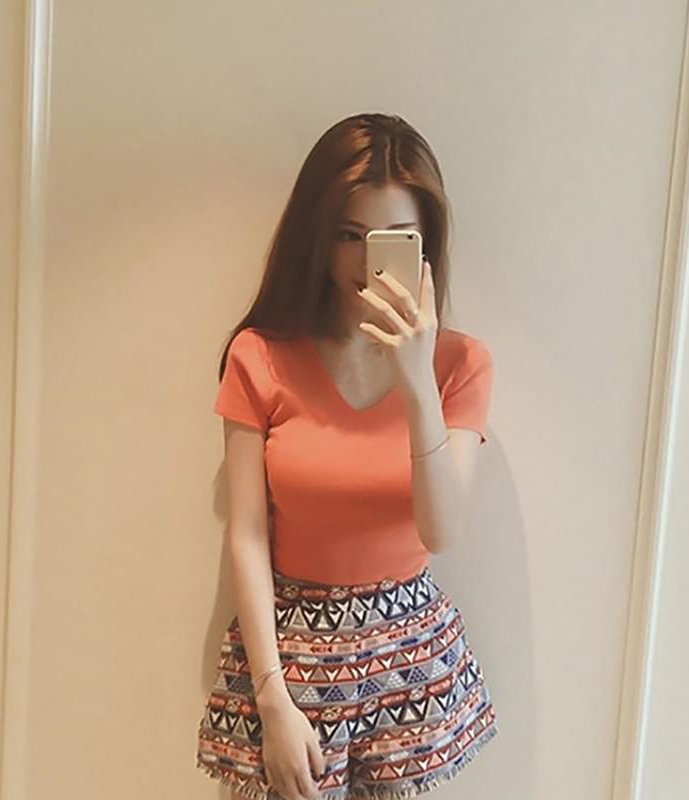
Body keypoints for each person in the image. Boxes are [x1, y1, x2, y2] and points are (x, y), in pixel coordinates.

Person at [196, 112, 499, 800]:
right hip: (292, 651)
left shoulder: (461, 365)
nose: (366, 262)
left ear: (425, 245)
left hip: (409, 661)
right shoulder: (260, 356)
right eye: (347, 235)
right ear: (317, 234)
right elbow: (248, 533)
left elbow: (441, 530)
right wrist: (271, 697)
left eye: (391, 239)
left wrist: (416, 380)